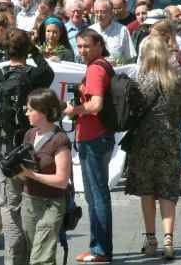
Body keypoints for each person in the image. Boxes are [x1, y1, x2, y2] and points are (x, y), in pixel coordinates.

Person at [0, 29, 54, 265]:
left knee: (10, 208)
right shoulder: (35, 75)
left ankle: (14, 259)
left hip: (7, 150)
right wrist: (35, 50)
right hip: (31, 148)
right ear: (26, 49)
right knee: (33, 204)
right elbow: (47, 70)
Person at [125, 36, 181, 260]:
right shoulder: (177, 78)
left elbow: (134, 108)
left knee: (147, 191)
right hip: (170, 139)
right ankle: (169, 239)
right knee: (168, 190)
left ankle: (151, 239)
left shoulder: (143, 77)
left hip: (144, 141)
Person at [64, 29, 114, 264]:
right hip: (99, 137)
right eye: (79, 46)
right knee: (97, 194)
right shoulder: (102, 65)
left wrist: (74, 111)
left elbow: (95, 105)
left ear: (99, 45)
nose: (82, 50)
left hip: (94, 138)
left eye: (86, 46)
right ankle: (98, 247)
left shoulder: (95, 69)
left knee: (97, 195)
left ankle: (101, 250)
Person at [19, 88, 72, 265]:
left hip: (51, 204)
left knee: (40, 259)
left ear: (42, 112)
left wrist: (30, 175)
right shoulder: (29, 135)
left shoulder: (59, 139)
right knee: (41, 254)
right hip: (29, 202)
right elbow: (24, 171)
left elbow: (62, 180)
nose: (26, 113)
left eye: (30, 109)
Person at [90, 0, 136, 66]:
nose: (99, 15)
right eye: (96, 12)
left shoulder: (122, 30)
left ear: (111, 12)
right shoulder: (90, 31)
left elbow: (130, 58)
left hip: (116, 73)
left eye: (102, 12)